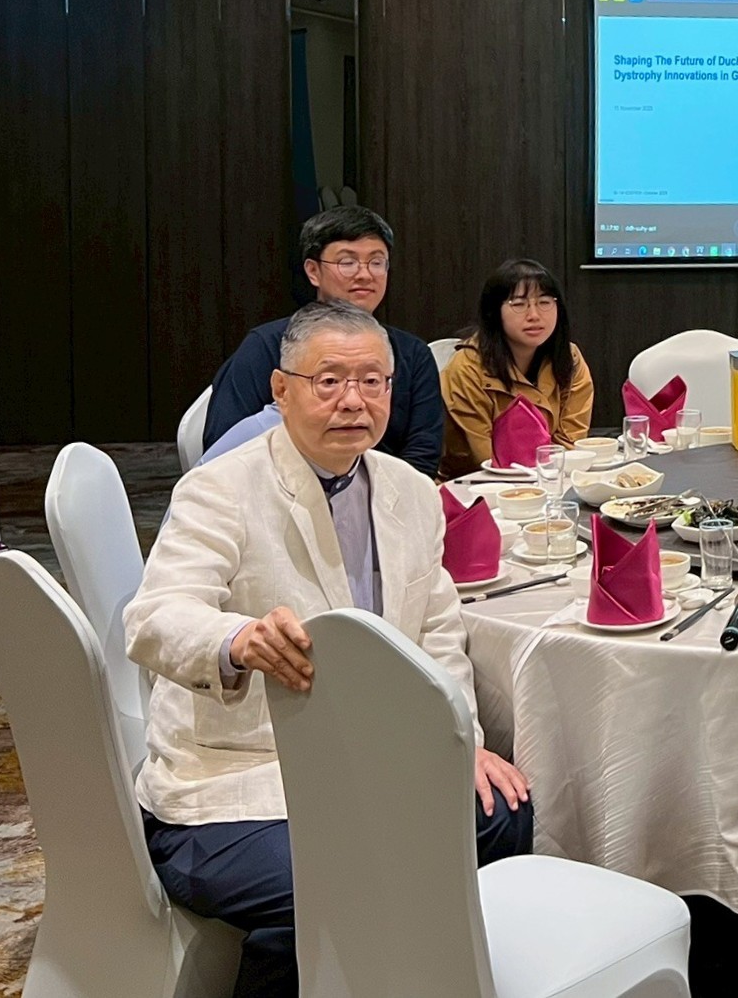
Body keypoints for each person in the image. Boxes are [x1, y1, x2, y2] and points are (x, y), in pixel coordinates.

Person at [127, 301, 533, 998]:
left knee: (503, 815)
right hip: (234, 782)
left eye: (372, 381)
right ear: (281, 391)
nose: (353, 400)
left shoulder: (411, 492)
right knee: (349, 879)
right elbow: (154, 616)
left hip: (369, 760)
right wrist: (236, 639)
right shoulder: (221, 489)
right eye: (329, 381)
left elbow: (439, 637)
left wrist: (460, 742)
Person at [204, 206, 445, 478]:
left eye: (377, 262)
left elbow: (424, 453)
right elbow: (225, 449)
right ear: (313, 271)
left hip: (384, 494)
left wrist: (371, 495)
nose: (365, 274)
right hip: (281, 492)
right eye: (347, 262)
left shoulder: (413, 353)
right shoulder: (266, 346)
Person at [438, 258, 595, 479]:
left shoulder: (569, 358)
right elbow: (483, 458)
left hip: (550, 481)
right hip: (478, 485)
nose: (534, 315)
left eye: (544, 302)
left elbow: (570, 444)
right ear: (495, 312)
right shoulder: (466, 369)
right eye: (519, 304)